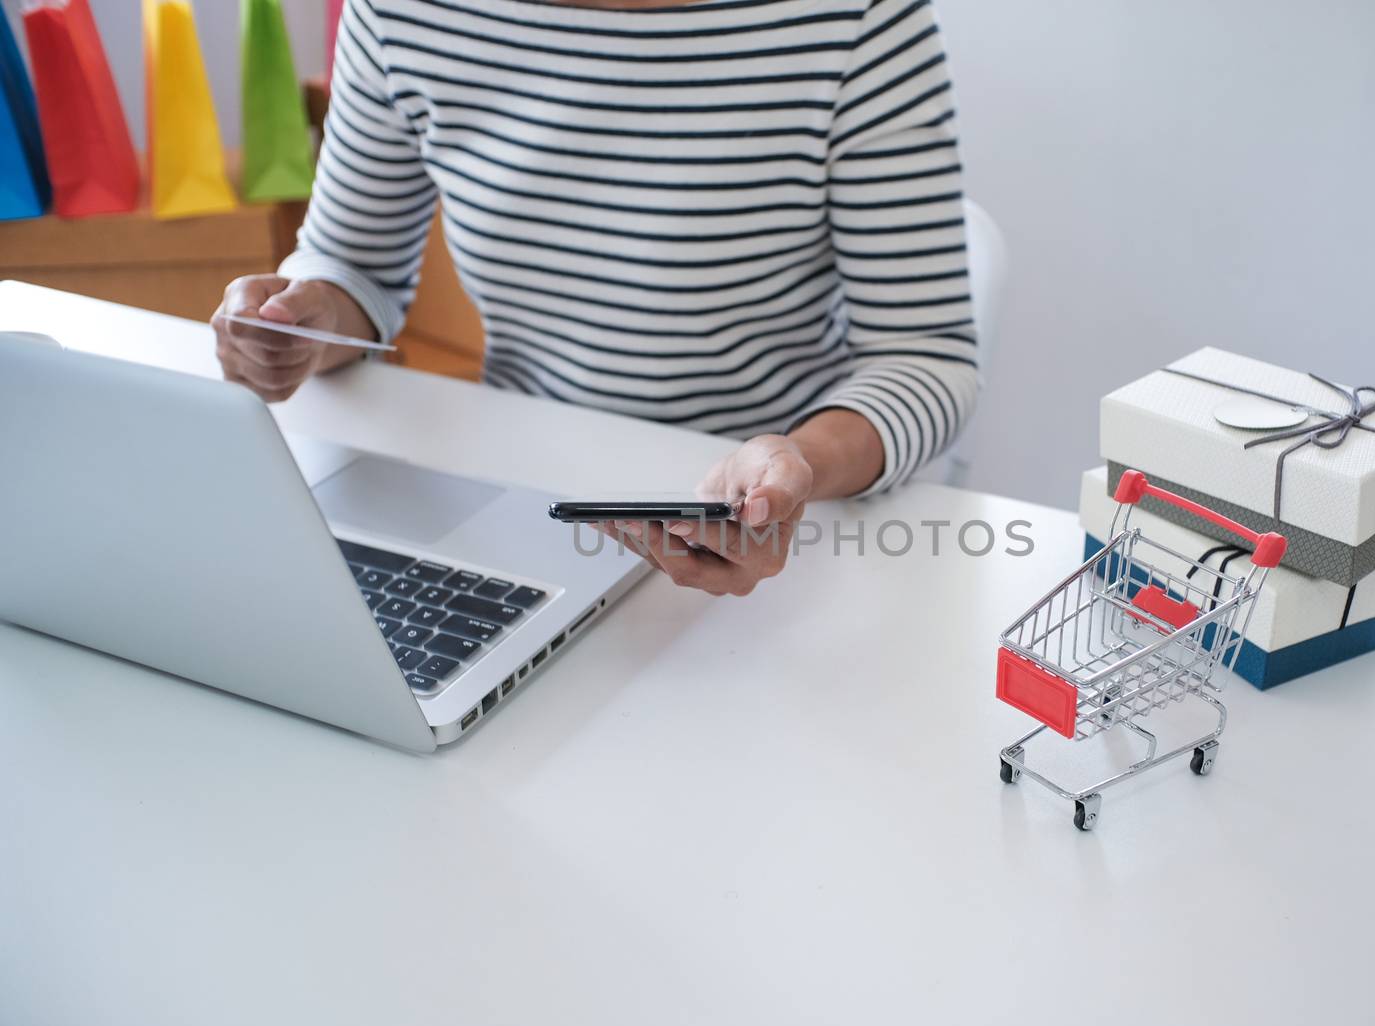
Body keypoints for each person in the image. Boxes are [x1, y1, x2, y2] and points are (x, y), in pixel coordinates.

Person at [212, 0, 979, 595]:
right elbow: (355, 266)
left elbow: (927, 357)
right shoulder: (406, 15)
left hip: (785, 532)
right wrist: (300, 316)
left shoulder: (854, 20)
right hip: (527, 505)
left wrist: (798, 461)